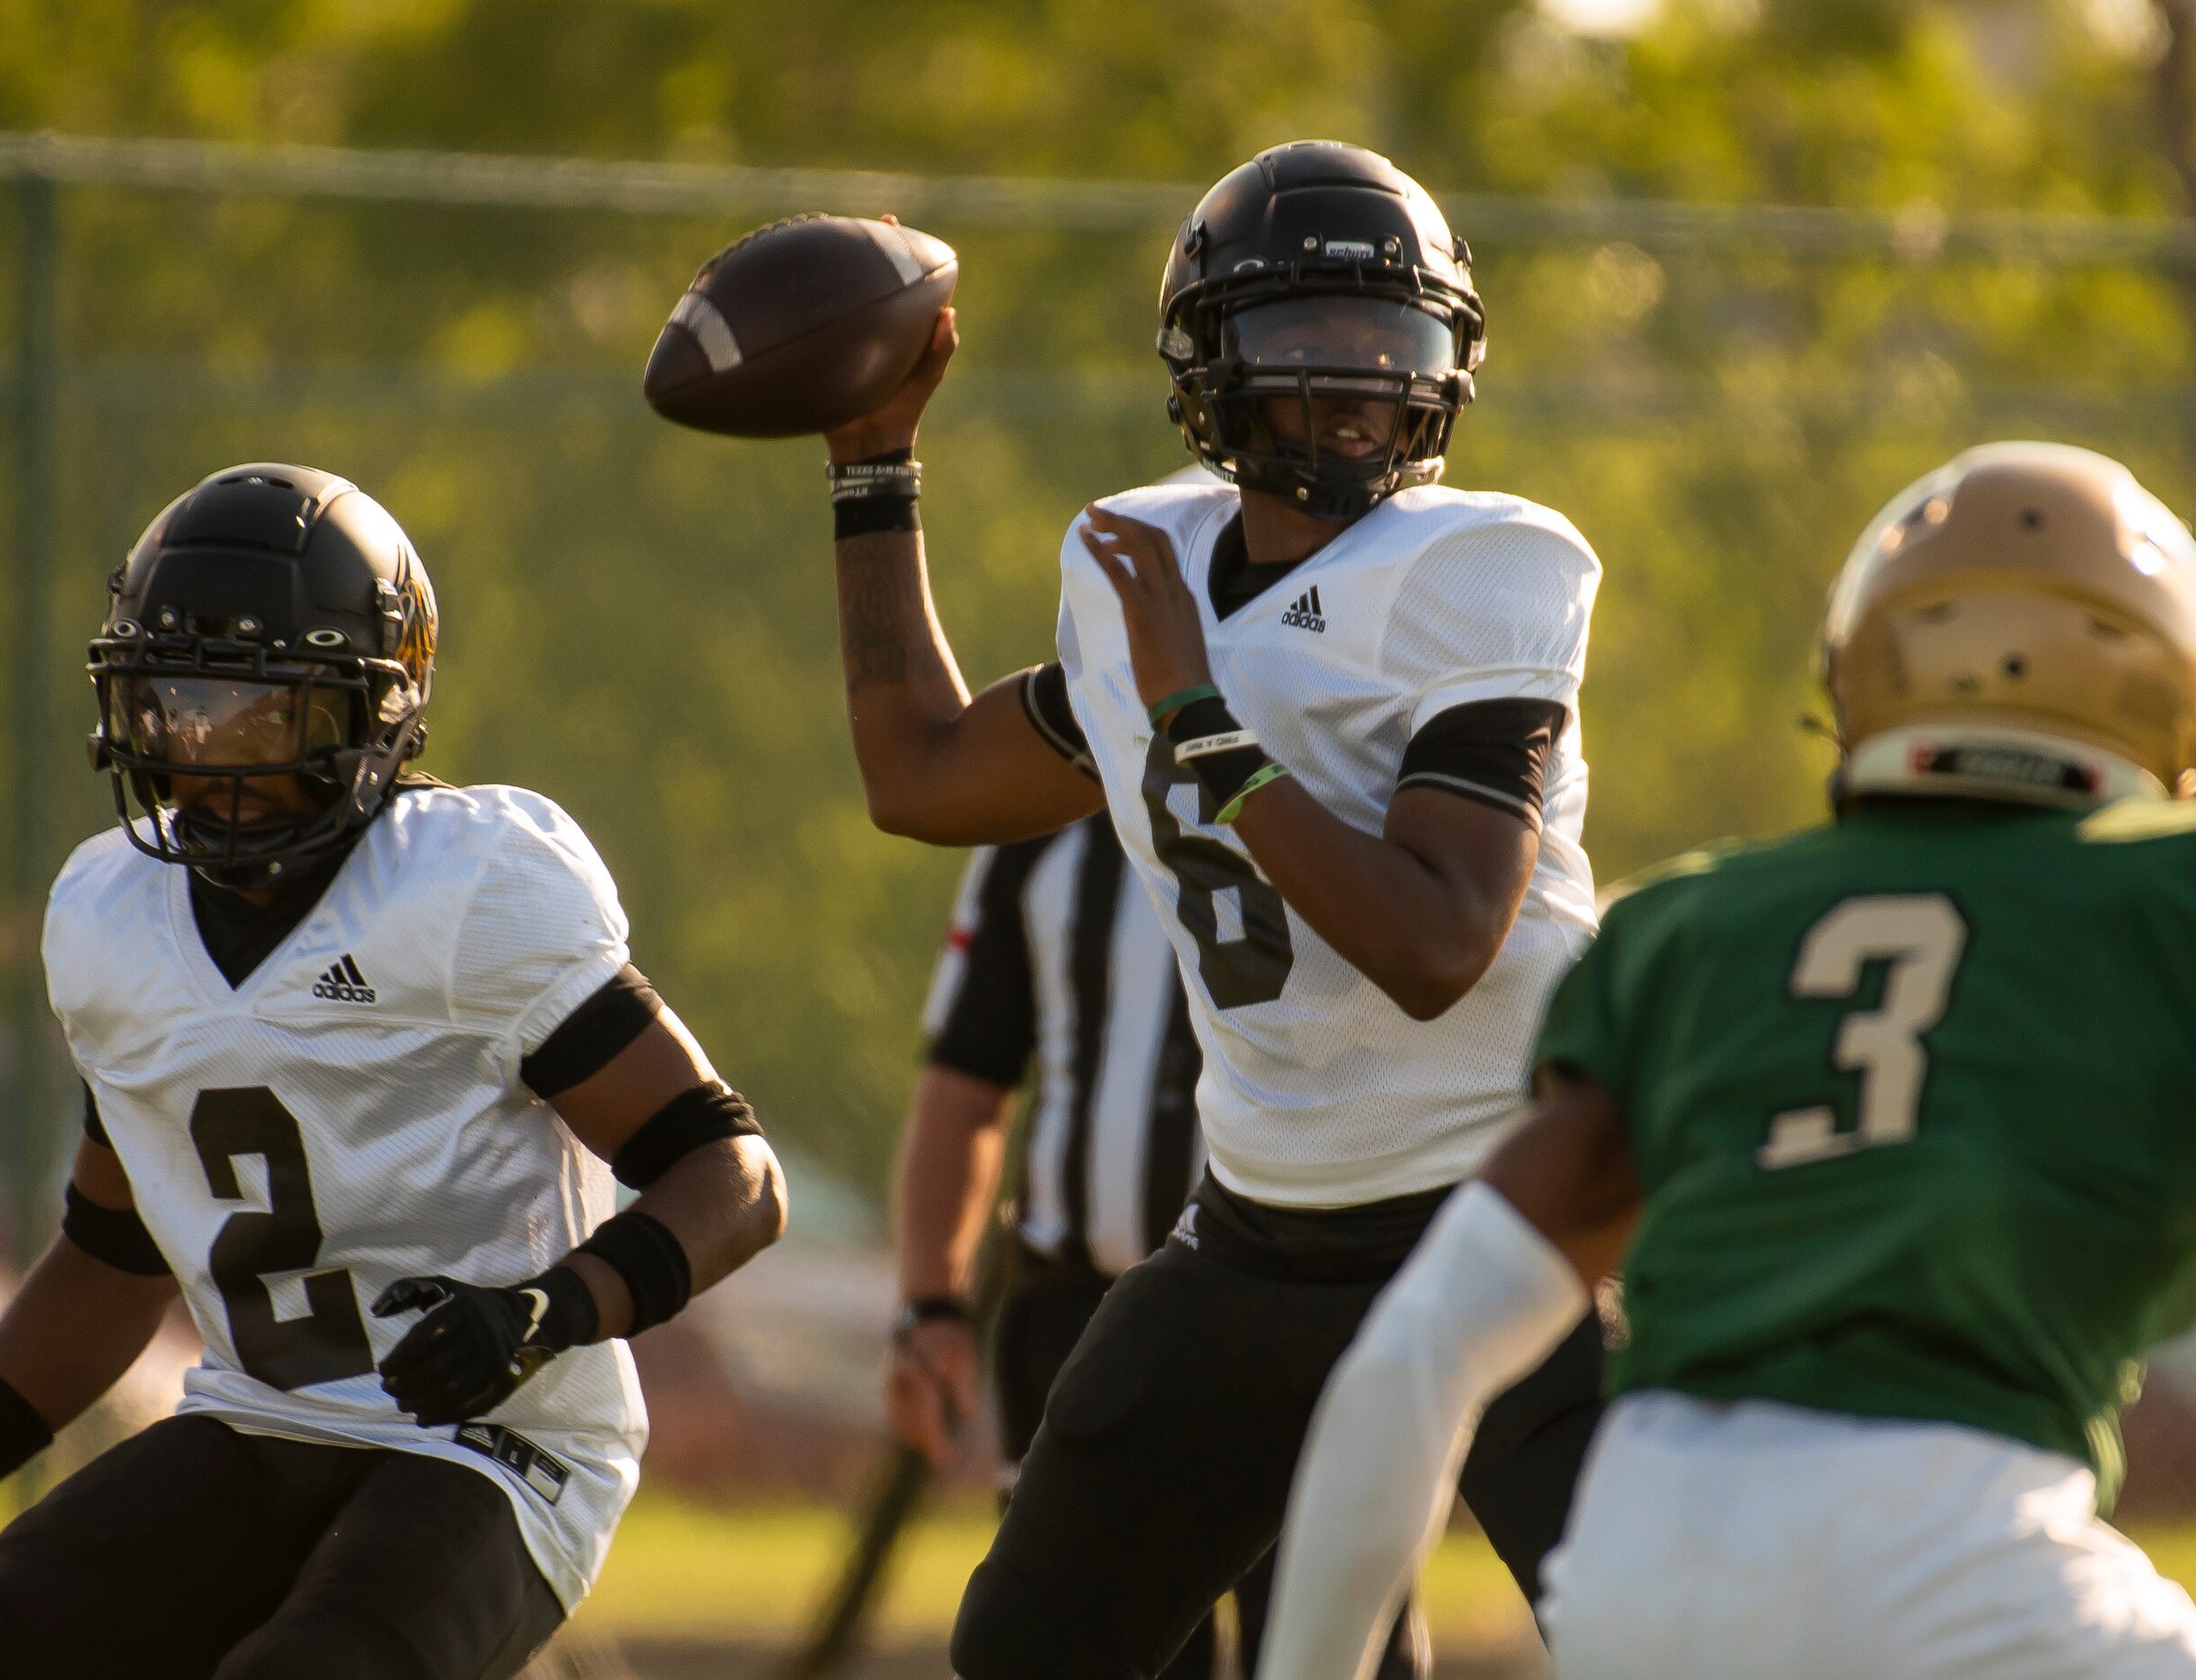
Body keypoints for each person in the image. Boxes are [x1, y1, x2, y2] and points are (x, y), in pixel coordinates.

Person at [0, 463, 788, 1680]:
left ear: (372, 711)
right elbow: (109, 1255)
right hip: (258, 1420)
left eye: (262, 710)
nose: (209, 749)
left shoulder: (467, 891)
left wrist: (545, 1309)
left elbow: (731, 1176)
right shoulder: (110, 913)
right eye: (174, 703)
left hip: (496, 1446)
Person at [819, 140, 1608, 1679]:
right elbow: (917, 775)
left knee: (1668, 1629)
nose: (1357, 385)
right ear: (1209, 369)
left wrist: (1196, 707)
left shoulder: (1481, 565)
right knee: (1029, 1648)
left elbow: (1434, 943)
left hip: (1514, 1205)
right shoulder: (1147, 558)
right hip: (1260, 1229)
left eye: (1392, 344)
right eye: (1303, 343)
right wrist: (868, 465)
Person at [1257, 441, 2196, 1680]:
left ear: (1863, 668)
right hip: (1968, 1556)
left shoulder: (1687, 927)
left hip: (1643, 1576)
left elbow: (1411, 1357)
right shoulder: (2159, 898)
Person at [888, 810, 1272, 1676]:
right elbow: (965, 1078)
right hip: (1079, 1313)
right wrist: (927, 1304)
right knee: (1061, 1645)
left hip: (1300, 1308)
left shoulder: (1336, 767)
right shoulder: (1033, 817)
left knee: (1328, 1642)